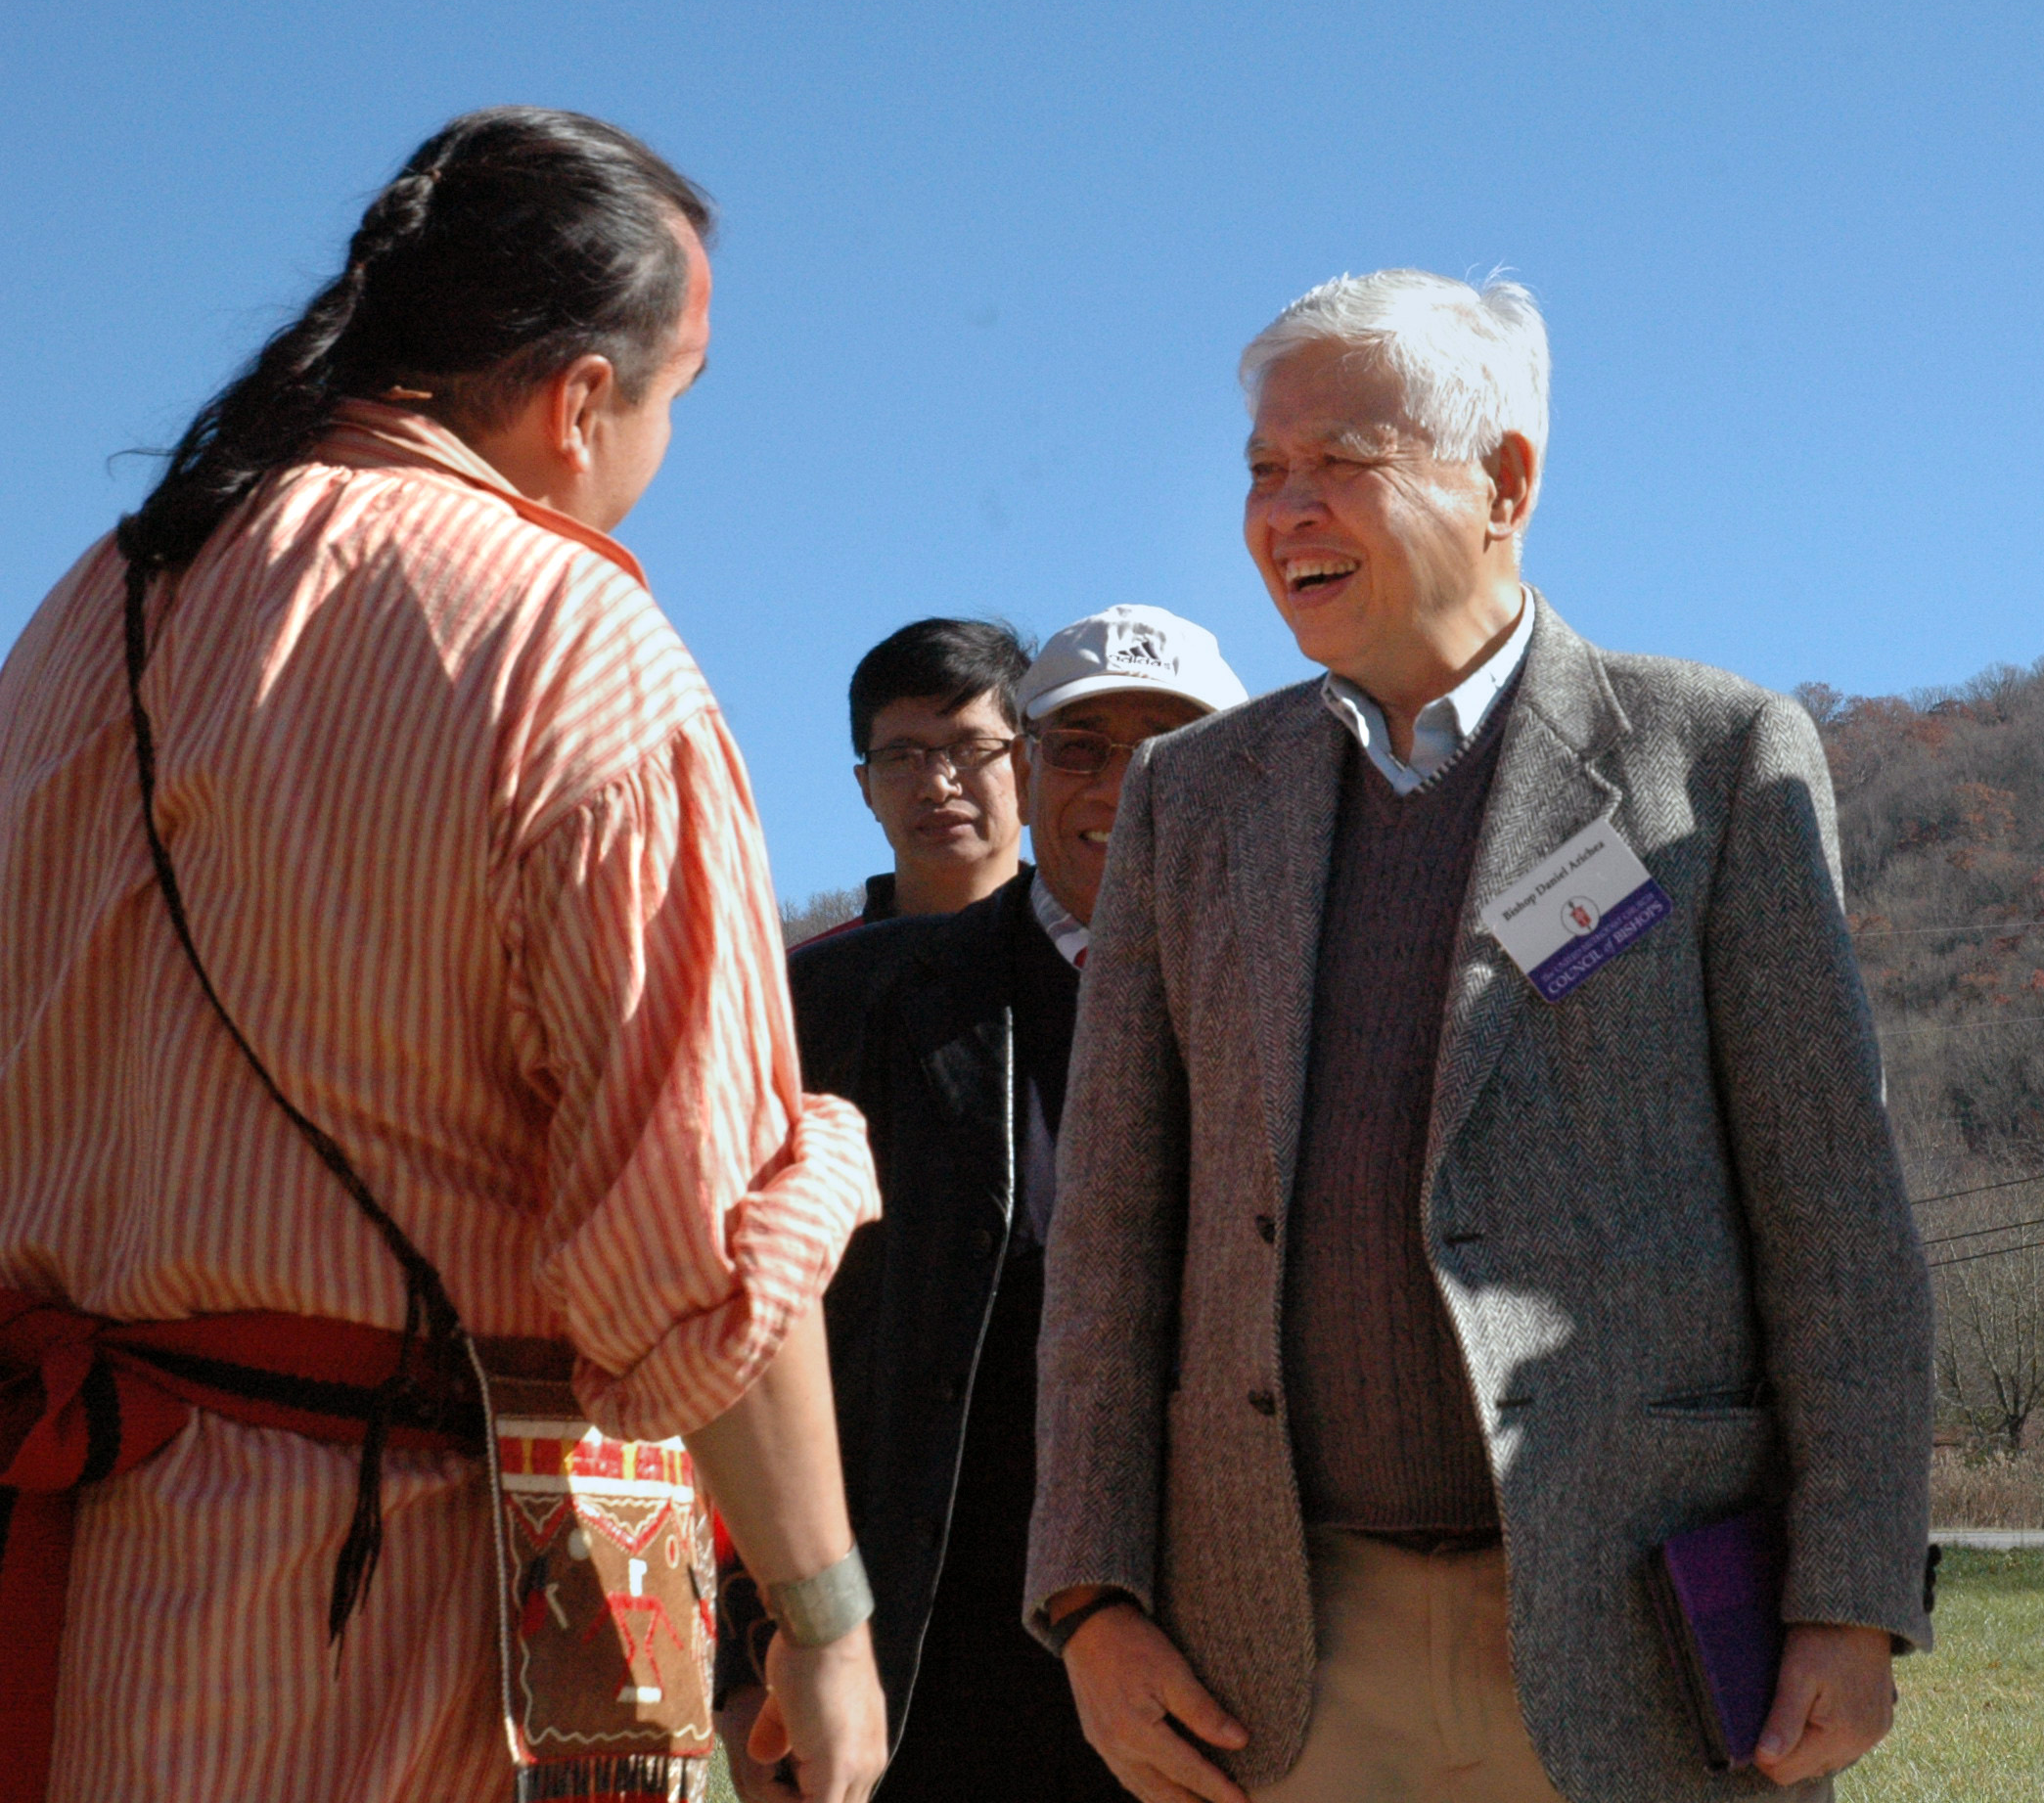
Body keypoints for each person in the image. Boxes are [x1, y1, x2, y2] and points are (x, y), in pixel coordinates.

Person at [0, 109, 887, 1798]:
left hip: (71, 1593)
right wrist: (824, 1619)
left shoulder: (84, 606)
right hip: (393, 1623)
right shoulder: (573, 642)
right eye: (677, 398)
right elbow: (689, 1258)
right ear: (578, 400)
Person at [1027, 270, 1934, 1803]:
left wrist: (1850, 1595)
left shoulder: (1709, 760)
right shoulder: (1190, 800)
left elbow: (1837, 1220)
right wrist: (1096, 1602)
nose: (1284, 512)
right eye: (1262, 471)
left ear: (1505, 480)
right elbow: (1115, 1232)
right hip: (1290, 1649)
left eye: (1339, 464)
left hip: (1635, 1628)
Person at [723, 606, 1246, 1802]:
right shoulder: (840, 1001)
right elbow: (769, 1322)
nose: (1127, 786)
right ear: (1033, 761)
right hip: (934, 1666)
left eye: (1170, 751)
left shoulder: (1311, 993)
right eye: (1082, 747)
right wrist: (757, 1646)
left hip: (1230, 1672)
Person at [812, 617, 1037, 939]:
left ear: (1028, 769)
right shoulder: (797, 981)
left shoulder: (1102, 965)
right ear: (866, 788)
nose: (938, 785)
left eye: (971, 750)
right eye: (902, 757)